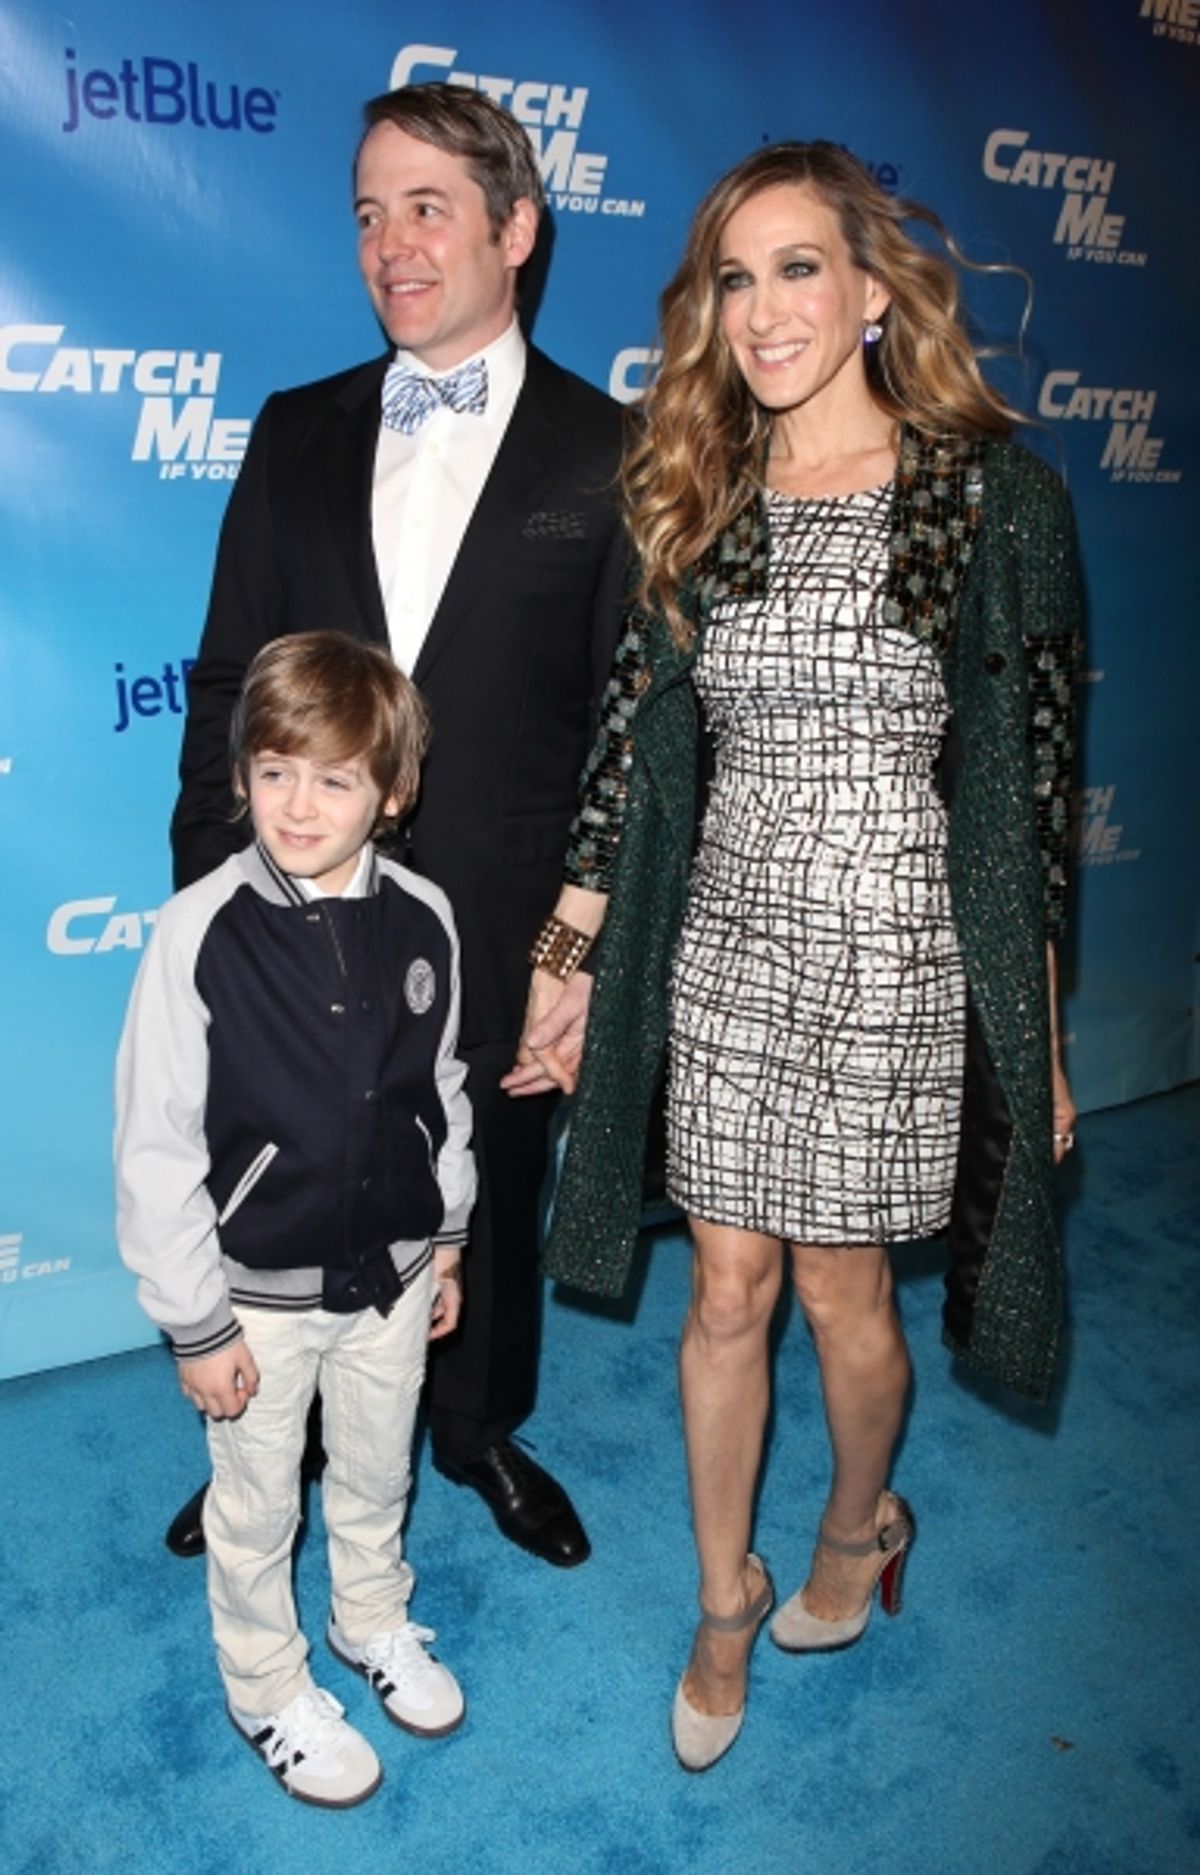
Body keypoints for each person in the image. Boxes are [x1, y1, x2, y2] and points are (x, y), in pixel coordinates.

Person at [511, 142, 1082, 1770]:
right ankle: (722, 1597)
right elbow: (628, 761)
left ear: (875, 291)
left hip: (900, 958)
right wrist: (564, 951)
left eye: (799, 268)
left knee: (843, 1294)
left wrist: (1038, 1042)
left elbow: (1033, 804)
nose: (763, 310)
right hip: (727, 943)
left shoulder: (989, 501)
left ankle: (854, 1526)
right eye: (735, 278)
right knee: (724, 1291)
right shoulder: (703, 493)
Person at [165, 82, 626, 1568]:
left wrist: (579, 947)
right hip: (294, 892)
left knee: (487, 1172)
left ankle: (477, 1426)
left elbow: (630, 733)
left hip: (506, 906)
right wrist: (209, 904)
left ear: (517, 229)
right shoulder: (295, 429)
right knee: (285, 1166)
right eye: (370, 214)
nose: (392, 245)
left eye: (429, 208)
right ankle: (273, 1438)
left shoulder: (615, 451)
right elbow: (229, 679)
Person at [116, 632, 473, 1806]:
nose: (299, 804)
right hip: (255, 1300)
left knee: (375, 1470)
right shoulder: (198, 930)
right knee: (257, 1505)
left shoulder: (425, 915)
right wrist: (196, 1323)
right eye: (275, 771)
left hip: (394, 1277)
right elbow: (157, 1144)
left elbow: (441, 1092)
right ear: (242, 776)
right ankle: (266, 1685)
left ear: (392, 790)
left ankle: (370, 1617)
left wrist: (448, 1239)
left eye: (334, 778)